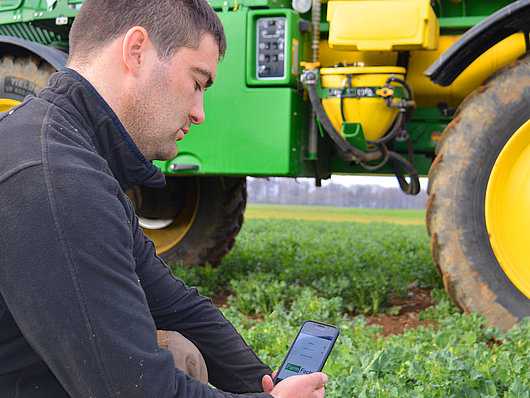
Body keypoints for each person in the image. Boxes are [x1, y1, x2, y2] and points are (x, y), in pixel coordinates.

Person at [0, 0, 329, 397]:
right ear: (136, 51)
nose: (199, 112)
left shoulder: (70, 155)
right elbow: (132, 391)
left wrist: (263, 385)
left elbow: (173, 303)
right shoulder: (54, 179)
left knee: (180, 348)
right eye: (196, 82)